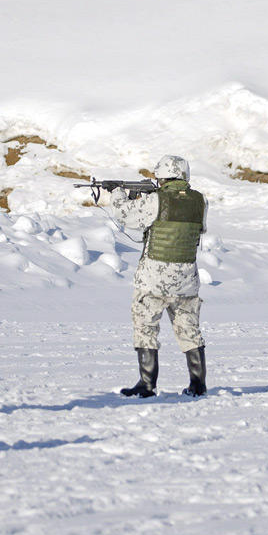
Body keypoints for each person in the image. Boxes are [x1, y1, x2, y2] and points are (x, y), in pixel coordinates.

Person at [112, 155, 208, 397]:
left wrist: (117, 194)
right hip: (187, 278)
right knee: (189, 330)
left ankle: (147, 384)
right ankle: (198, 384)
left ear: (162, 175)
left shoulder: (156, 199)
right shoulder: (200, 200)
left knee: (146, 327)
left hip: (154, 279)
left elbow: (127, 217)